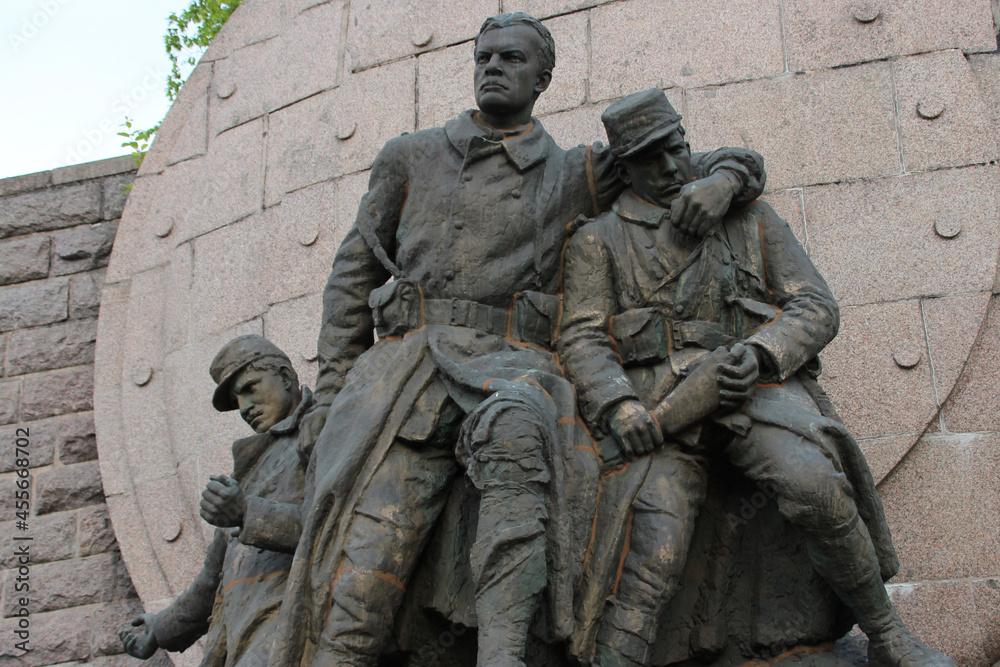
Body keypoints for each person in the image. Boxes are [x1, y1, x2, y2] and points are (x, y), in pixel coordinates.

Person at [269, 12, 767, 667]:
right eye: (485, 57)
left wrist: (724, 183)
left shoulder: (576, 171)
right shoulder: (409, 156)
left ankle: (502, 655)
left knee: (519, 439)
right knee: (367, 562)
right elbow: (350, 280)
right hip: (404, 374)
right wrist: (333, 393)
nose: (494, 67)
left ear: (543, 78)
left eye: (511, 58)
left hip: (513, 369)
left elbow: (707, 162)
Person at [558, 88, 953, 667]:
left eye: (675, 148)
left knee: (814, 485)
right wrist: (619, 405)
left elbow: (815, 306)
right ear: (624, 167)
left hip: (756, 394)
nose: (669, 167)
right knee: (652, 549)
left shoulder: (747, 216)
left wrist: (762, 355)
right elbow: (582, 337)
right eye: (648, 158)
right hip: (662, 406)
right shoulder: (598, 239)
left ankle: (887, 634)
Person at [119, 335, 314, 667]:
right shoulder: (248, 471)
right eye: (237, 400)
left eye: (250, 388)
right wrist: (160, 629)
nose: (245, 407)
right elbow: (212, 579)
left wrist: (247, 513)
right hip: (238, 641)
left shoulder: (325, 429)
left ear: (285, 377)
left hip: (295, 629)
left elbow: (339, 524)